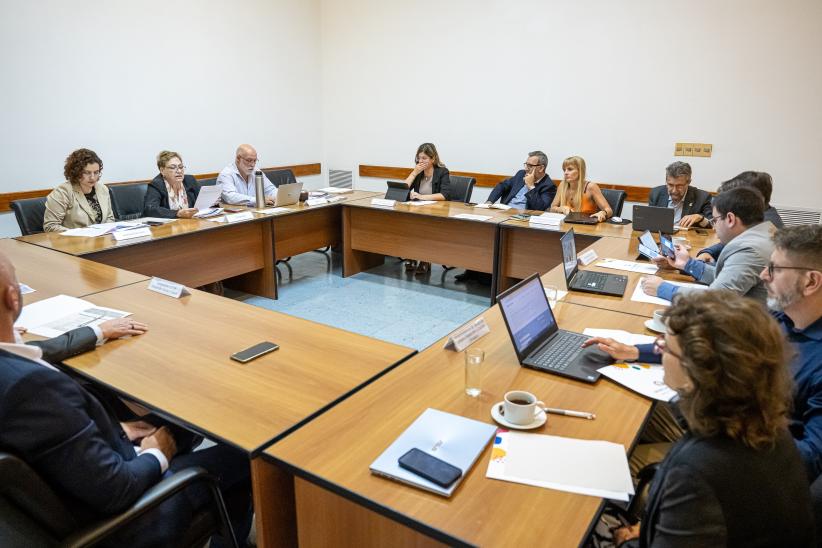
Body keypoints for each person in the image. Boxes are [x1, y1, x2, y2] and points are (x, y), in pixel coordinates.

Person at [0, 253, 252, 547]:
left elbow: (54, 434)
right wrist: (158, 453)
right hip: (128, 518)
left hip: (72, 473)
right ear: (13, 298)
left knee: (183, 422)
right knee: (240, 454)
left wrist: (120, 428)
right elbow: (117, 489)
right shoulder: (30, 388)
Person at [586, 225, 822, 482]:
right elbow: (704, 341)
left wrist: (731, 431)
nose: (764, 275)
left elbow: (809, 461)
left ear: (811, 281)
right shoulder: (781, 320)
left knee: (607, 467)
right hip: (717, 434)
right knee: (620, 416)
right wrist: (633, 351)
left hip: (743, 468)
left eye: (775, 269)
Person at [612, 291, 813, 547]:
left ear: (695, 370)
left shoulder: (695, 472)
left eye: (665, 347)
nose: (660, 352)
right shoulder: (769, 426)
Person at [640, 186, 774, 304]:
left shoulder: (750, 250)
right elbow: (725, 277)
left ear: (730, 219)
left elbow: (717, 299)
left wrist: (663, 289)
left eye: (715, 220)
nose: (714, 228)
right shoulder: (762, 234)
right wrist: (687, 264)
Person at [696, 171, 785, 263]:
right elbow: (732, 242)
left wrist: (692, 265)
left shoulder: (766, 226)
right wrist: (709, 251)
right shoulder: (760, 215)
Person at [402, 143, 451, 275]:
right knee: (407, 224)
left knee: (424, 226)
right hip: (418, 210)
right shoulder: (418, 172)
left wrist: (422, 197)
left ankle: (425, 260)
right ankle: (411, 256)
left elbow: (444, 195)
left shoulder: (442, 172)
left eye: (424, 158)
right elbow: (403, 189)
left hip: (436, 212)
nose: (421, 161)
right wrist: (414, 172)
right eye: (419, 158)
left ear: (433, 158)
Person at [44, 148, 116, 232]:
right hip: (74, 243)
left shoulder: (102, 189)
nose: (92, 177)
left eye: (96, 172)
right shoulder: (63, 192)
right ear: (76, 172)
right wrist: (81, 234)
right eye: (87, 172)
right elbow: (50, 226)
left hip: (102, 241)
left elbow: (109, 218)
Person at [647, 161, 713, 228]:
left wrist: (700, 218)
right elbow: (649, 220)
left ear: (688, 182)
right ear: (666, 181)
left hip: (689, 237)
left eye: (679, 186)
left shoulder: (702, 197)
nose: (674, 191)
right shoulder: (656, 193)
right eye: (670, 185)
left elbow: (712, 224)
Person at [485, 151, 556, 210]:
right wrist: (489, 202)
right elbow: (502, 185)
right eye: (526, 165)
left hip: (523, 218)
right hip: (505, 211)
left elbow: (539, 209)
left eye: (530, 166)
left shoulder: (549, 186)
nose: (526, 169)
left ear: (541, 168)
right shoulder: (521, 174)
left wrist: (531, 186)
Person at [548, 156, 611, 222]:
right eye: (564, 170)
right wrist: (560, 209)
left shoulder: (590, 187)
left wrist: (603, 213)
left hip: (586, 226)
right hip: (566, 225)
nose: (565, 173)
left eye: (570, 169)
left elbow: (609, 210)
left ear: (580, 171)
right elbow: (552, 208)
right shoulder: (562, 185)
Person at [143, 151, 203, 219]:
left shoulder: (190, 181)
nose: (179, 171)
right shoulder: (156, 185)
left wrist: (215, 203)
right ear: (162, 170)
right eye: (173, 167)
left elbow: (204, 200)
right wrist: (177, 213)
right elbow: (150, 209)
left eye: (181, 167)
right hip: (167, 227)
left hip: (191, 224)